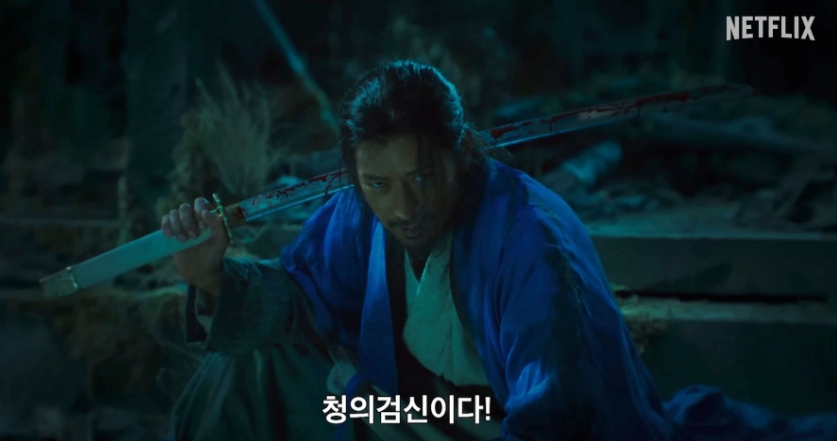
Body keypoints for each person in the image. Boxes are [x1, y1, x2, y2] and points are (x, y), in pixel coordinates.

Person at [161, 61, 836, 441]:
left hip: (489, 422)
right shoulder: (358, 209)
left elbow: (557, 418)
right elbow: (301, 300)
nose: (402, 207)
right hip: (404, 408)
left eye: (422, 176)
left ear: (461, 156)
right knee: (250, 363)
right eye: (378, 183)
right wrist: (214, 275)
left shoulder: (532, 243)